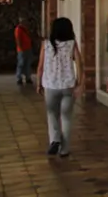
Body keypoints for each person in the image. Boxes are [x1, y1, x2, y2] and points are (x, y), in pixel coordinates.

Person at [36, 17, 84, 157]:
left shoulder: (46, 44)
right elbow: (79, 64)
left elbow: (40, 66)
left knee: (52, 114)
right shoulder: (72, 44)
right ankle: (64, 149)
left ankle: (55, 139)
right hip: (68, 85)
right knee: (66, 117)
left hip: (50, 85)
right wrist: (79, 83)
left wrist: (38, 83)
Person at [15, 15, 33, 85]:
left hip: (28, 48)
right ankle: (19, 78)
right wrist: (20, 48)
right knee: (21, 64)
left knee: (28, 64)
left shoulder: (26, 29)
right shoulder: (18, 29)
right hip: (22, 50)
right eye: (25, 21)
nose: (26, 22)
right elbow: (18, 39)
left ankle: (28, 77)